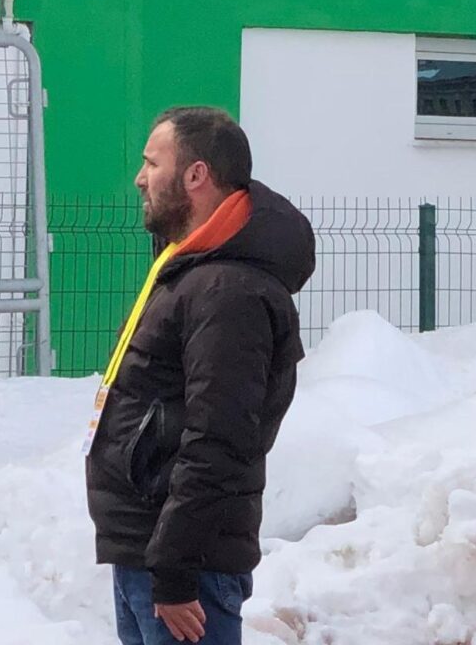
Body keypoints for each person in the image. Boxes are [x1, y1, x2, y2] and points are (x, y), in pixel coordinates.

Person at [85, 105, 312, 645]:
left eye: (151, 163)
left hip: (185, 568)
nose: (140, 178)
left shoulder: (226, 292)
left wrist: (176, 568)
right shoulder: (188, 271)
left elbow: (219, 441)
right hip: (150, 553)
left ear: (196, 175)